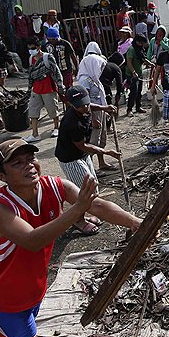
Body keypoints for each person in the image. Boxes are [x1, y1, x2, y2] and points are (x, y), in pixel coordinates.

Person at [0, 138, 140, 337]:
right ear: (2, 176)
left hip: (35, 281)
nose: (29, 165)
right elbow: (32, 240)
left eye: (31, 159)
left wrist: (137, 223)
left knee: (2, 325)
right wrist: (78, 209)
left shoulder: (55, 186)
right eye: (17, 163)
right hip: (8, 290)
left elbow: (96, 205)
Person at [55, 85, 119, 234]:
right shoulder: (72, 123)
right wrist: (106, 152)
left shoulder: (86, 107)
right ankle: (78, 221)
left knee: (93, 186)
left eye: (86, 103)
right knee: (83, 192)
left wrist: (104, 108)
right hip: (71, 159)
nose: (85, 108)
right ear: (71, 105)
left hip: (82, 155)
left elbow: (90, 106)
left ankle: (86, 213)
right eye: (81, 106)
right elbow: (83, 145)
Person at [77, 43, 116, 172]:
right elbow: (86, 103)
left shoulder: (95, 79)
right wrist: (93, 118)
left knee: (101, 138)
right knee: (93, 141)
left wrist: (106, 110)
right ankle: (89, 169)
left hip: (101, 112)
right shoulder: (84, 80)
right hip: (93, 115)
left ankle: (102, 163)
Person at [24, 38, 63, 143]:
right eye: (29, 48)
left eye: (33, 48)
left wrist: (60, 85)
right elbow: (31, 75)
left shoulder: (47, 57)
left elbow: (56, 72)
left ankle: (56, 128)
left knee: (52, 110)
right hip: (36, 89)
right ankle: (35, 134)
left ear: (39, 47)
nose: (31, 50)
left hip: (48, 88)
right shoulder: (31, 58)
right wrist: (29, 89)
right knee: (33, 111)